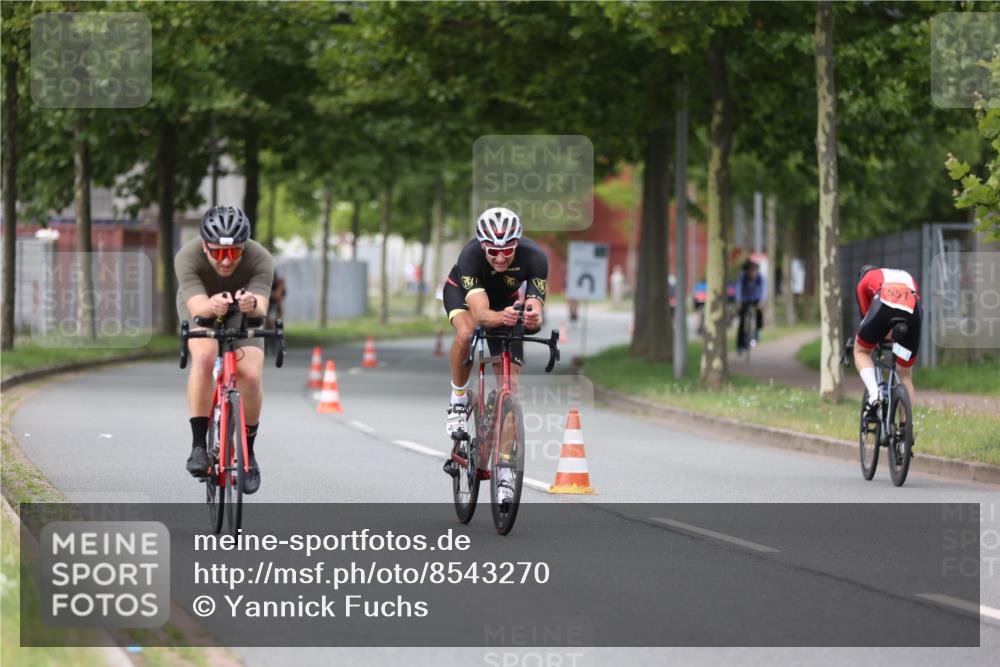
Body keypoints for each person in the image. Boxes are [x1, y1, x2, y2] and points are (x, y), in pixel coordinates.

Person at [439, 207, 548, 493]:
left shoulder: (535, 257)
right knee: (466, 332)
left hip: (506, 305)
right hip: (465, 298)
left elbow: (535, 305)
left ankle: (504, 471)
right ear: (482, 245)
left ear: (518, 243)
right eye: (492, 251)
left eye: (508, 250)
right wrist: (506, 317)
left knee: (511, 389)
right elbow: (481, 314)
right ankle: (458, 400)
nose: (500, 257)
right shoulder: (470, 256)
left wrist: (534, 316)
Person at [176, 206, 274, 494]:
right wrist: (212, 305)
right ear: (205, 246)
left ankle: (249, 453)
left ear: (244, 247)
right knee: (205, 357)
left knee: (251, 375)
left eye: (234, 253)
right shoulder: (187, 256)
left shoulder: (261, 258)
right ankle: (197, 447)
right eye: (218, 252)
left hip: (242, 311)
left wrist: (251, 305)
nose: (226, 260)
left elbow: (262, 308)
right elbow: (197, 308)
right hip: (202, 305)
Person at [851, 264, 923, 414]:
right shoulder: (906, 275)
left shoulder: (865, 281)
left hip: (883, 305)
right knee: (905, 374)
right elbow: (915, 305)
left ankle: (874, 393)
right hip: (913, 312)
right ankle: (905, 432)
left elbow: (865, 317)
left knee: (861, 350)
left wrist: (873, 340)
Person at [736, 260, 766, 352]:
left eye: (754, 270)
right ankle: (740, 345)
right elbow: (738, 288)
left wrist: (761, 301)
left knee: (759, 313)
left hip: (755, 298)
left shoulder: (760, 277)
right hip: (744, 299)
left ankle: (758, 331)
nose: (753, 272)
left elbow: (763, 290)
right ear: (746, 271)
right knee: (741, 321)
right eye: (751, 270)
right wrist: (738, 301)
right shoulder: (742, 277)